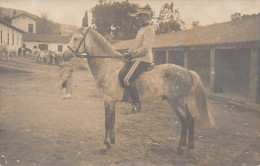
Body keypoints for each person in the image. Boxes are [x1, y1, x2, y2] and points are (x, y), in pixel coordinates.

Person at [119, 7, 155, 113]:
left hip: (143, 59)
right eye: (139, 16)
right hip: (136, 58)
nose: (140, 18)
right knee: (121, 74)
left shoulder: (150, 29)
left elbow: (146, 48)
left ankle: (137, 104)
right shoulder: (141, 30)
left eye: (142, 16)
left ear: (148, 17)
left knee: (127, 79)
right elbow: (136, 46)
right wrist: (127, 52)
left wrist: (132, 54)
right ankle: (130, 98)